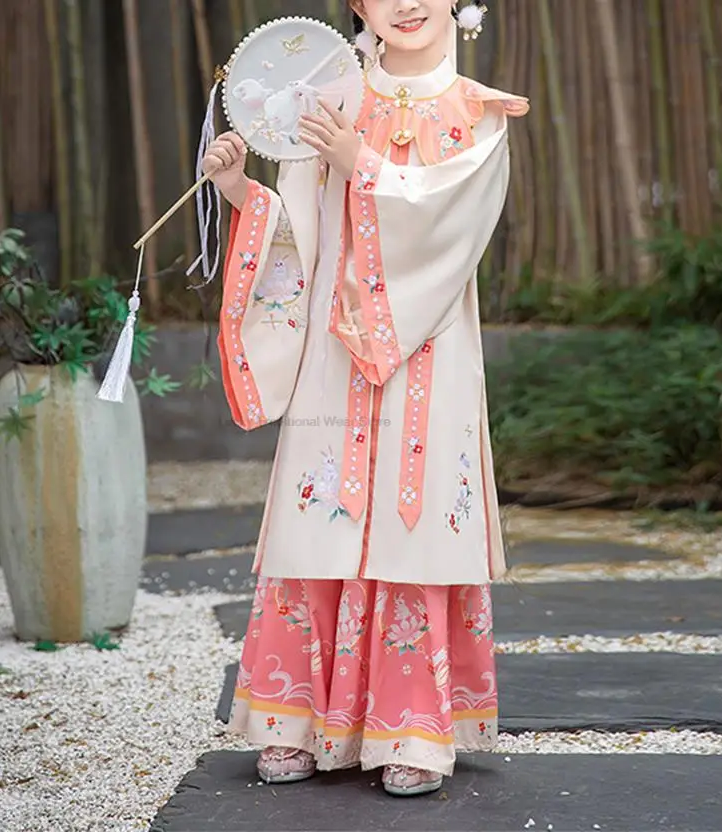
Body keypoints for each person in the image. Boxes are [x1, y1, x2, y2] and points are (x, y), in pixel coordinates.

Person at [201, 0, 528, 797]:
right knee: (324, 513)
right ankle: (294, 718)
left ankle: (412, 728)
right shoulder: (330, 97)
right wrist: (243, 189)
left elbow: (453, 221)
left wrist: (364, 164)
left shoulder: (481, 113)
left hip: (433, 351)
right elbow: (302, 232)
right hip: (331, 352)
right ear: (356, 4)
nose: (406, 3)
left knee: (414, 523)